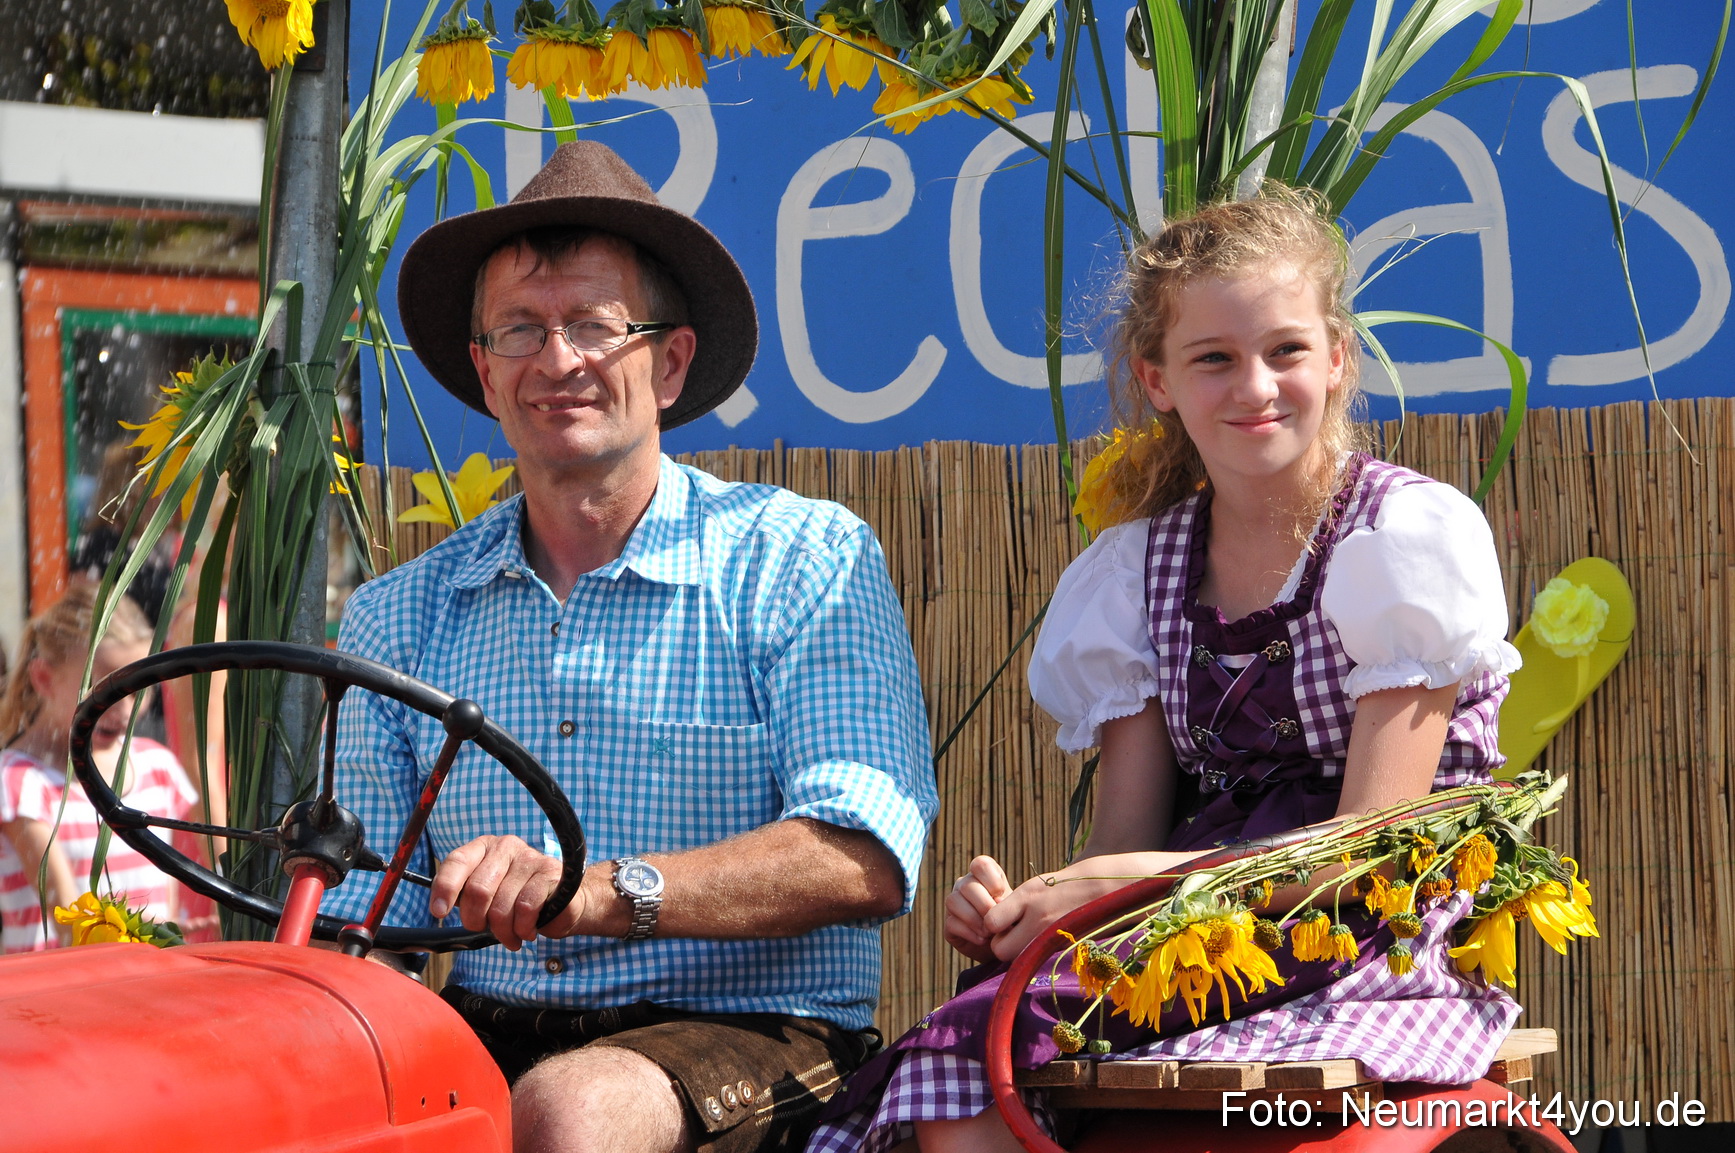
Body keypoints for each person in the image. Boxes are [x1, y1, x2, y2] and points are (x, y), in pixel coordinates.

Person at [806, 191, 1523, 1153]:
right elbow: (1126, 834)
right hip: (1188, 919)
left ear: (1338, 359)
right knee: (961, 1058)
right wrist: (1032, 907)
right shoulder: (1133, 572)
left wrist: (1119, 882)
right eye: (1213, 358)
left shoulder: (1402, 538)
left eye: (1286, 350)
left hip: (1357, 935)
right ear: (1156, 379)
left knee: (1014, 1045)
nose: (1254, 385)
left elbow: (1365, 857)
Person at [320, 141, 937, 1153]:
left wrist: (599, 892)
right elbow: (364, 923)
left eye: (595, 326)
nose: (557, 360)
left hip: (759, 1034)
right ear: (483, 372)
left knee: (570, 1112)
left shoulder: (801, 558)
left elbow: (863, 856)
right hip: (482, 1032)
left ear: (671, 360)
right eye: (520, 329)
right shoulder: (398, 614)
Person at [0, 580, 198, 952]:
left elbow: (170, 894)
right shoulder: (18, 783)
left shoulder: (159, 768)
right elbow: (70, 921)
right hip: (55, 998)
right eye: (103, 689)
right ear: (43, 679)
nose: (123, 710)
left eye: (137, 688)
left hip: (143, 985)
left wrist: (181, 933)